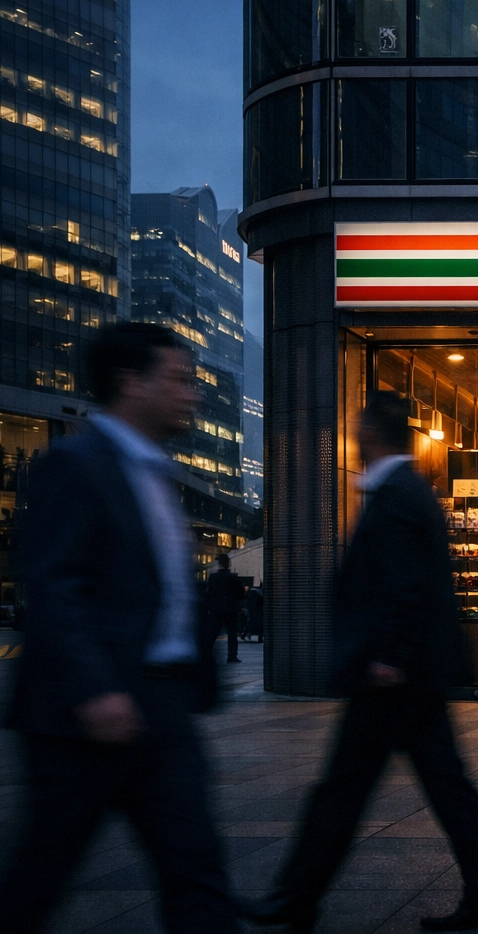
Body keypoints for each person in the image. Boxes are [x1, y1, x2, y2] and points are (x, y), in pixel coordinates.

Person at [246, 392, 478, 933]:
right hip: (410, 671)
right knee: (436, 785)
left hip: (394, 674)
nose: (354, 436)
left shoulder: (395, 494)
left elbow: (403, 582)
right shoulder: (408, 491)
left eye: (358, 427)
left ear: (371, 432)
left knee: (346, 789)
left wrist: (388, 654)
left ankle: (296, 897)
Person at [0, 322, 237, 934]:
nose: (193, 395)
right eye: (180, 380)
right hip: (85, 718)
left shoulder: (152, 470)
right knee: (41, 876)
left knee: (197, 871)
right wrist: (96, 689)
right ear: (131, 382)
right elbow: (53, 585)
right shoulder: (73, 465)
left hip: (159, 707)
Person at [206, 553, 245, 663]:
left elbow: (209, 593)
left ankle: (206, 652)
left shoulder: (213, 578)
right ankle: (232, 656)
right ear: (228, 564)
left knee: (213, 632)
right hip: (231, 609)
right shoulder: (233, 578)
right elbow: (241, 593)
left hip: (216, 609)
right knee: (232, 633)